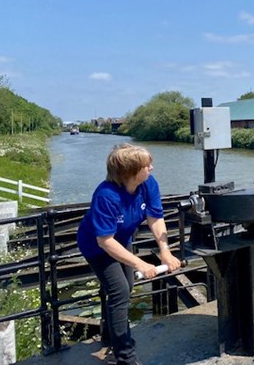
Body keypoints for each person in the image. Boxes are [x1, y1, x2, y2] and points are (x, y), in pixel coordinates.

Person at [77, 143, 181, 365]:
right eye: (146, 165)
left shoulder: (147, 184)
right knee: (119, 291)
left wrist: (165, 251)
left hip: (122, 240)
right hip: (98, 246)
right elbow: (105, 241)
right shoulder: (106, 195)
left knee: (128, 287)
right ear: (130, 171)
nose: (151, 168)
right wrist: (141, 265)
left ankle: (108, 336)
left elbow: (155, 217)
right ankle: (126, 357)